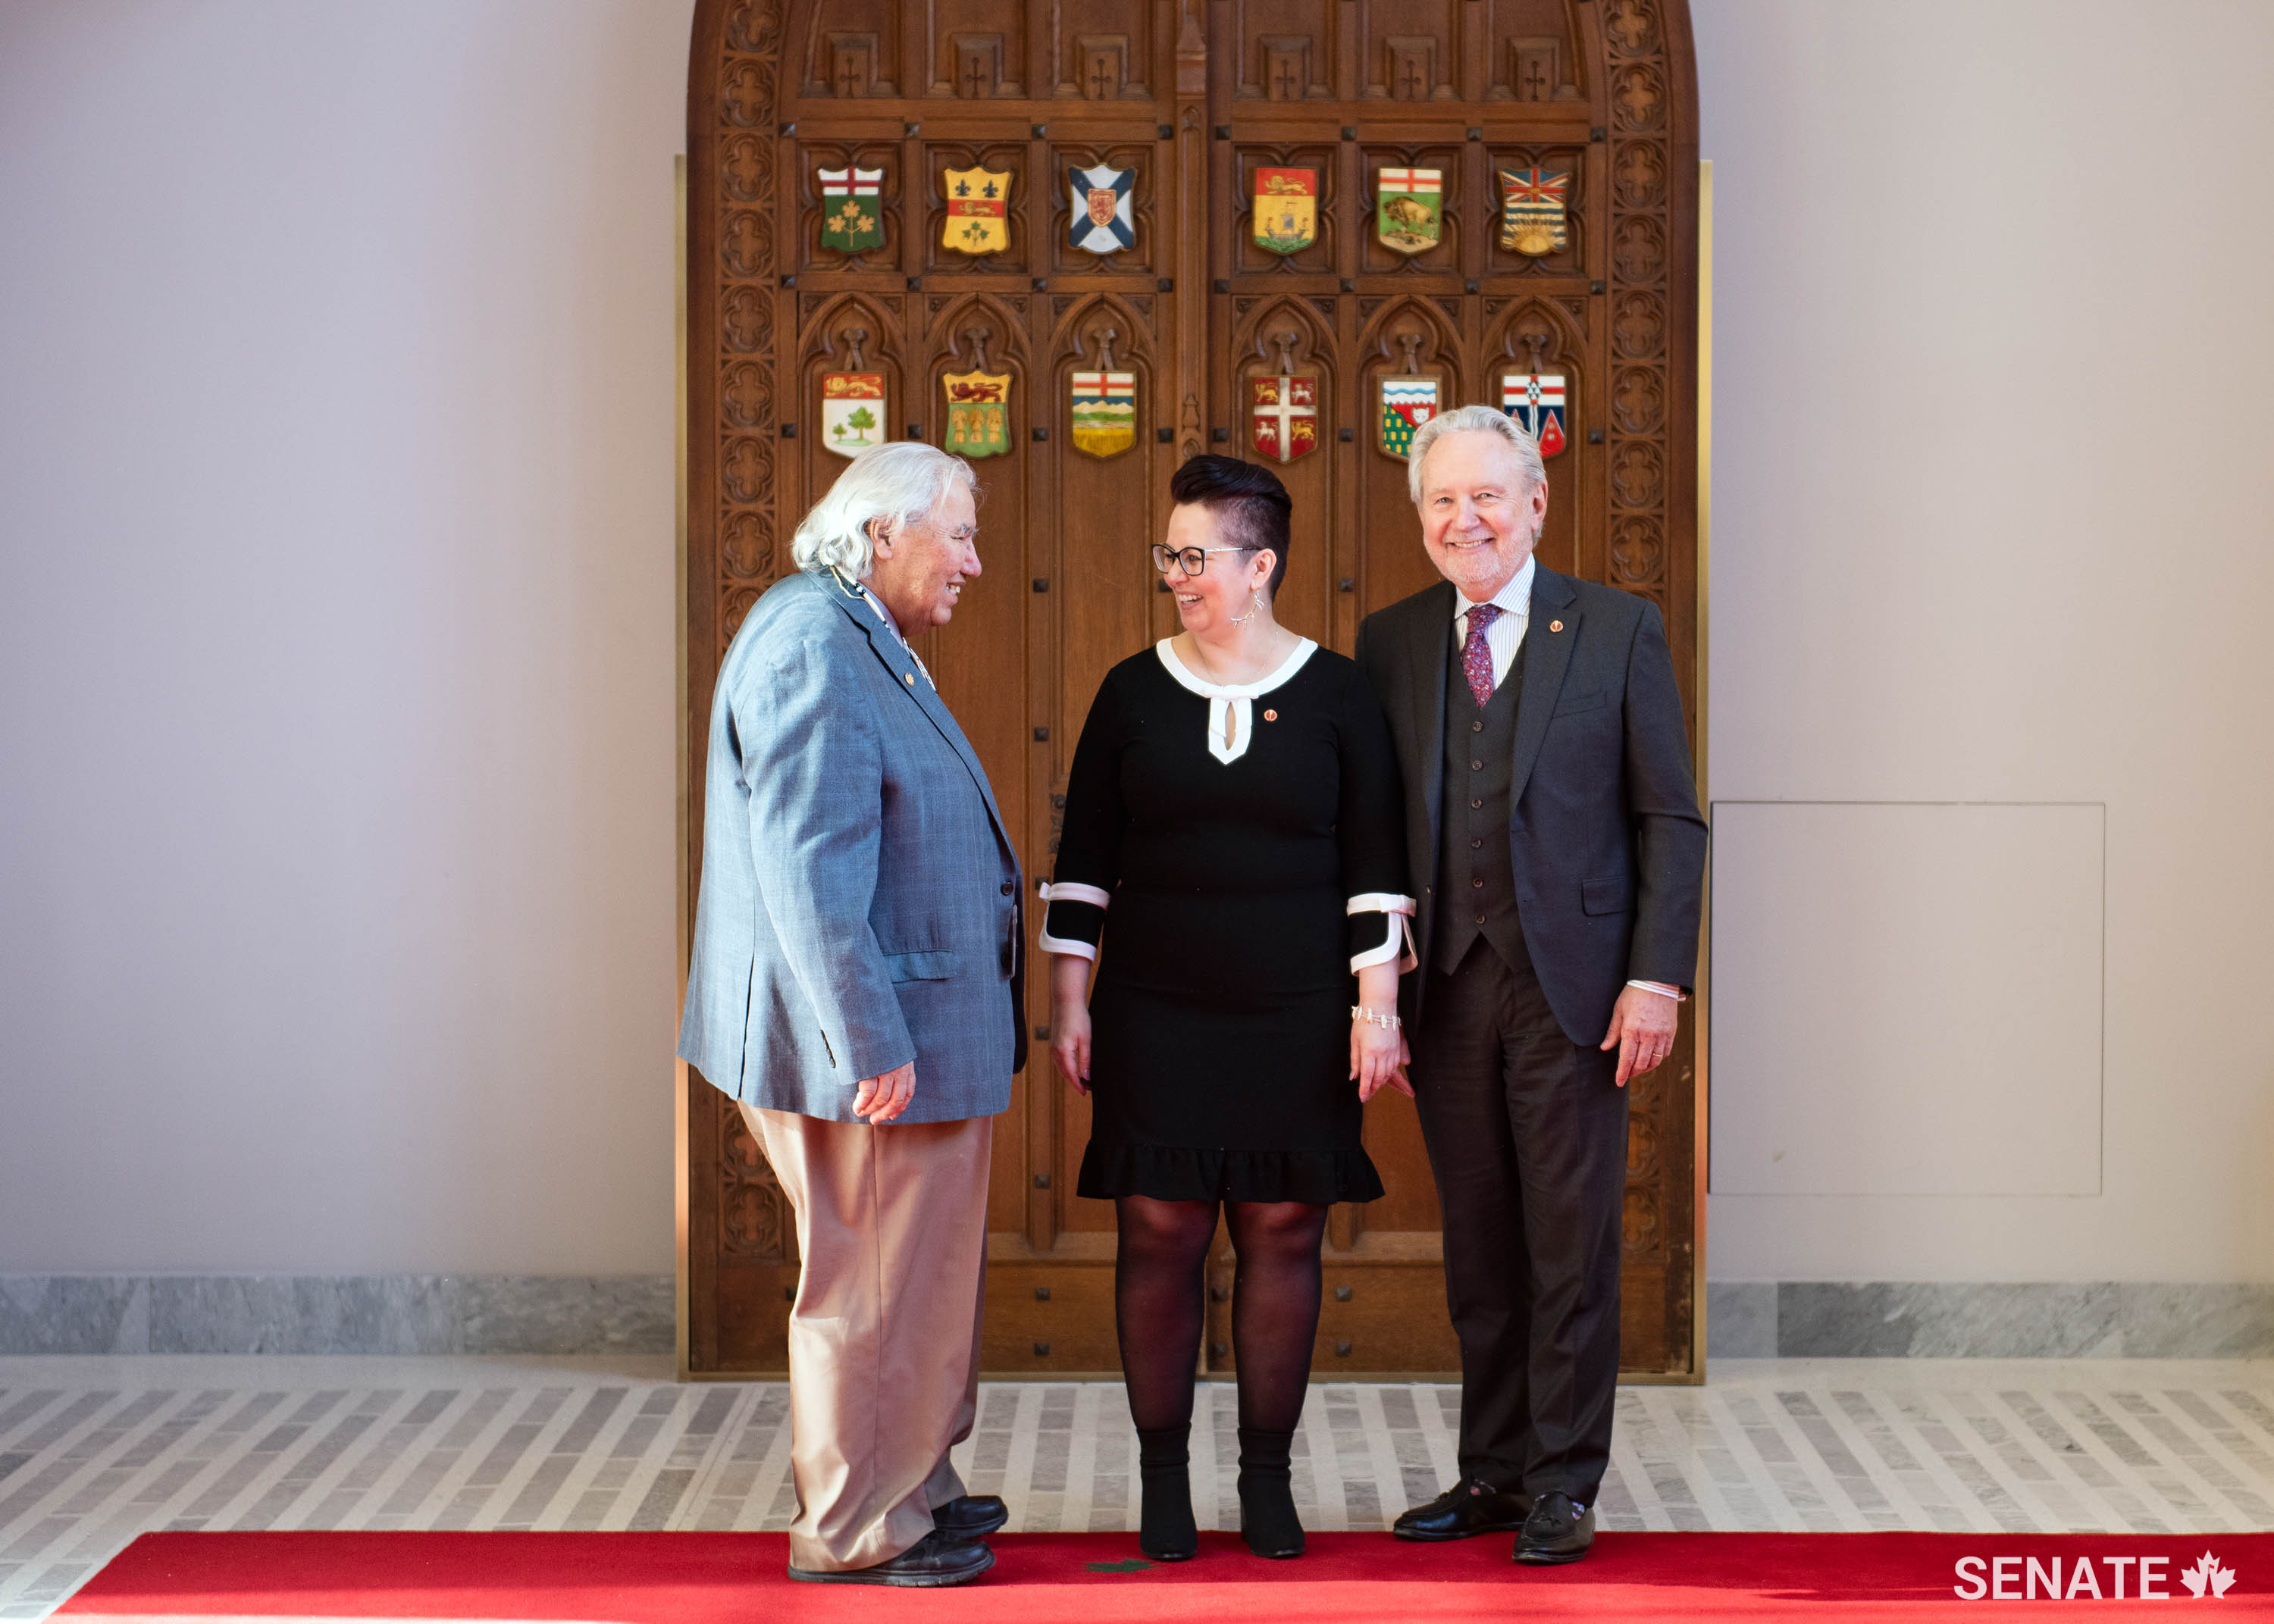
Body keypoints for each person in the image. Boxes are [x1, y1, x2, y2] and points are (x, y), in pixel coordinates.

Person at [1041, 455, 1413, 1563]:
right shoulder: (1130, 690)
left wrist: (1376, 1009)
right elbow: (1085, 862)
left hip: (1298, 1011)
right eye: (1170, 555)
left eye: (1196, 557)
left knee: (1282, 1228)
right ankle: (1163, 1487)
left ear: (1261, 566)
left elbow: (1376, 868)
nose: (1177, 575)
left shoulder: (1343, 693)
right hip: (1156, 1006)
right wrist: (1072, 1000)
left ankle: (1264, 1485)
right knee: (1159, 1229)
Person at [1356, 405, 1706, 1565]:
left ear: (1537, 503)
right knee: (1483, 1251)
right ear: (1422, 522)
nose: (1469, 519)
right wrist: (1376, 996)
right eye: (1444, 501)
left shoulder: (1614, 629)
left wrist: (1657, 979)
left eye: (1489, 495)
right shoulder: (1394, 642)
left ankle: (1565, 1480)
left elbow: (1669, 818)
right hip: (1447, 989)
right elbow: (1374, 836)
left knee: (1571, 1245)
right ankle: (1493, 1474)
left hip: (1578, 992)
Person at [678, 442, 1025, 1588]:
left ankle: (912, 1486)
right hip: (876, 1043)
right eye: (960, 534)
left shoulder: (860, 632)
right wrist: (866, 1038)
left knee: (910, 1282)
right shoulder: (814, 643)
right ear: (882, 533)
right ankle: (857, 1529)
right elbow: (808, 868)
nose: (976, 560)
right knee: (870, 1286)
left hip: (915, 1027)